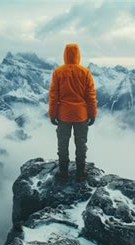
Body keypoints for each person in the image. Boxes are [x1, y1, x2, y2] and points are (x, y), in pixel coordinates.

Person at [48, 43, 97, 181]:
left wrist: (53, 114)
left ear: (65, 55)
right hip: (81, 115)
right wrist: (92, 114)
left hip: (64, 115)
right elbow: (91, 96)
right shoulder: (85, 72)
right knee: (81, 144)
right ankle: (80, 173)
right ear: (78, 55)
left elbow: (53, 96)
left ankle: (63, 172)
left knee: (63, 144)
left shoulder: (58, 72)